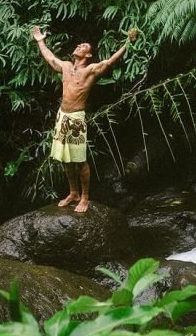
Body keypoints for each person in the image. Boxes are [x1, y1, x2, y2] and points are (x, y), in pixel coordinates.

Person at [31, 25, 139, 213]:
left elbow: (110, 61)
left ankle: (85, 196)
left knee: (80, 159)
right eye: (79, 45)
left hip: (76, 119)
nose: (79, 46)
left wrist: (128, 42)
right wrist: (40, 41)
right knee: (65, 159)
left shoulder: (90, 70)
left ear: (88, 55)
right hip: (62, 116)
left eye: (84, 46)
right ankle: (73, 192)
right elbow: (49, 57)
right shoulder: (65, 66)